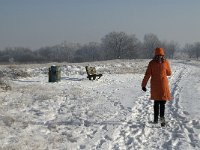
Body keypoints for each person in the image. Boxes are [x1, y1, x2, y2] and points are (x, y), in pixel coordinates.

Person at [141, 47, 172, 126]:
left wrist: (144, 85)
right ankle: (162, 119)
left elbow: (147, 74)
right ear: (163, 54)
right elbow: (169, 73)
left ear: (155, 54)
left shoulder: (151, 63)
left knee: (156, 102)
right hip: (163, 85)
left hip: (155, 85)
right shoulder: (165, 62)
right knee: (162, 103)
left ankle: (155, 119)